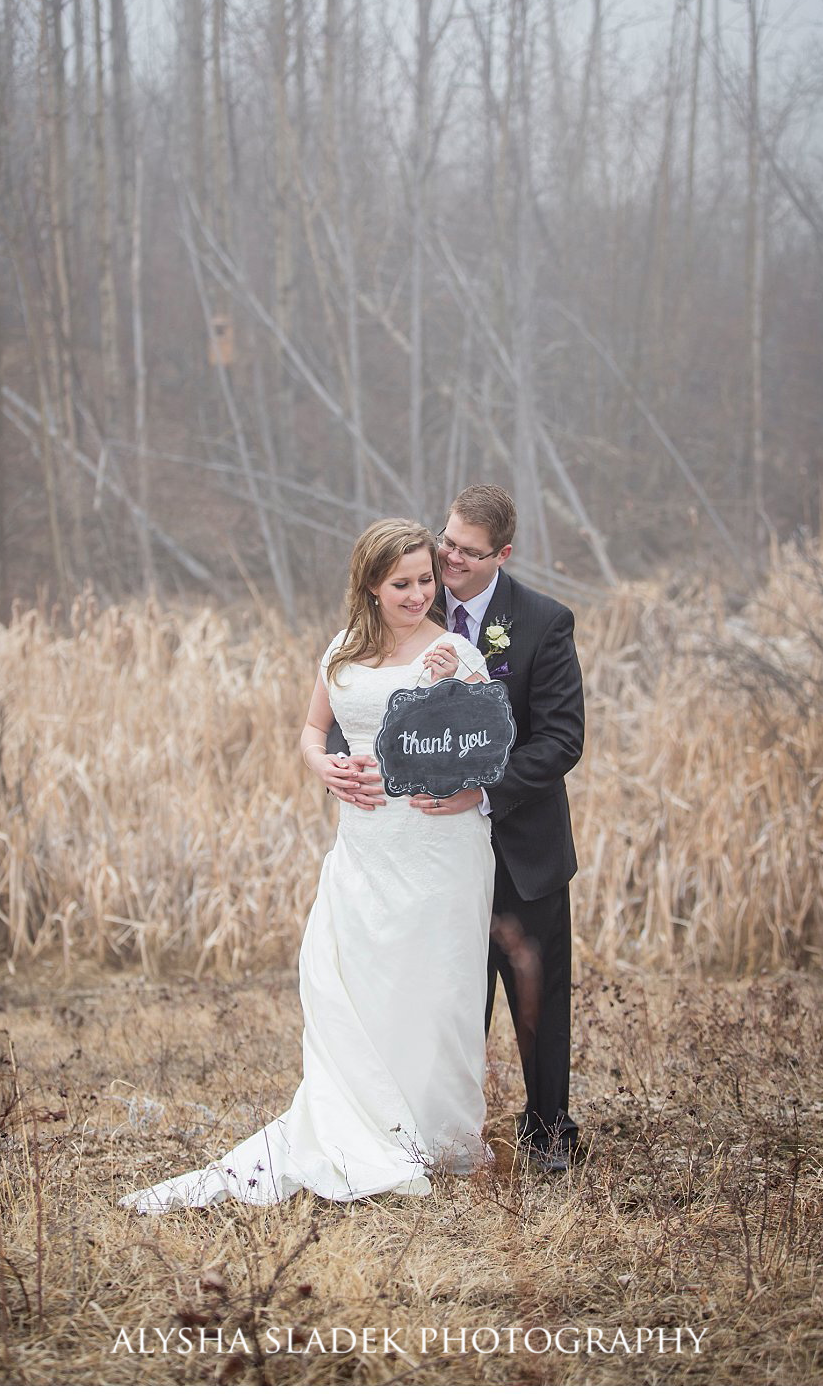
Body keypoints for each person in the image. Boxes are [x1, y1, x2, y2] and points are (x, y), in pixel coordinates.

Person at [120, 519, 495, 1212]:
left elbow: (476, 753)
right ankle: (362, 1119)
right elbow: (311, 729)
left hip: (434, 842)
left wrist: (450, 685)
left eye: (426, 580)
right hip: (363, 840)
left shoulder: (453, 651)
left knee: (433, 985)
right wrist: (322, 765)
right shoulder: (342, 652)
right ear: (371, 586)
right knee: (350, 971)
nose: (419, 594)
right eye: (402, 583)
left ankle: (435, 1130)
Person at [321, 486, 585, 1170]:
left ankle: (548, 1132)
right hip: (422, 844)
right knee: (442, 988)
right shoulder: (412, 602)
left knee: (536, 993)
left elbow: (560, 741)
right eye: (448, 543)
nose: (451, 558)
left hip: (518, 839)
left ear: (502, 554)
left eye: (468, 551)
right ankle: (431, 1120)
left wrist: (481, 791)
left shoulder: (543, 621)